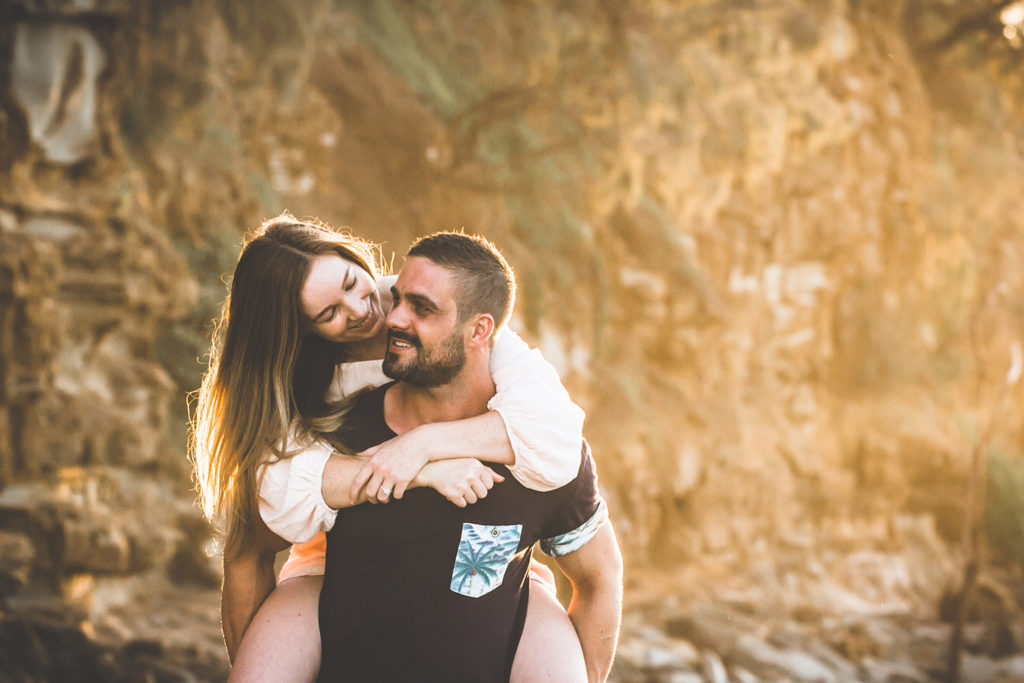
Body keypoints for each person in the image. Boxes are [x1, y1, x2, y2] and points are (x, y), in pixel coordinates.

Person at [191, 215, 592, 681]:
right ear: (298, 331)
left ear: (350, 256)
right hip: (339, 553)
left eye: (350, 283)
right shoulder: (292, 380)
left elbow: (554, 430)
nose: (363, 311)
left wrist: (422, 445)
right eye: (329, 314)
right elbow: (275, 490)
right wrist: (417, 468)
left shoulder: (426, 308)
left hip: (479, 562)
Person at [316, 231, 623, 682]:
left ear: (480, 330)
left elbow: (599, 579)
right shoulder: (340, 426)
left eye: (422, 308)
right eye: (396, 298)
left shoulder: (543, 449)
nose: (393, 319)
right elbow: (252, 552)